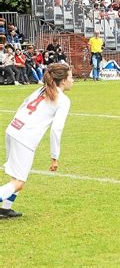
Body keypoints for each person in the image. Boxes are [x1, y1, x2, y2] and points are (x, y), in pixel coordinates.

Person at [0, 63, 74, 218]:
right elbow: (56, 129)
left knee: (18, 178)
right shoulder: (63, 100)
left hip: (13, 130)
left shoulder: (41, 90)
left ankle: (5, 208)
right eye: (71, 77)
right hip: (24, 138)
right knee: (18, 182)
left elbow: (23, 105)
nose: (73, 80)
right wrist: (55, 157)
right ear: (63, 80)